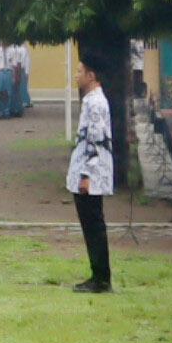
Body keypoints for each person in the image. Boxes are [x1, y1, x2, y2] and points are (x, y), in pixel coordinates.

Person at [67, 53, 114, 293]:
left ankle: (101, 278)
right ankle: (97, 274)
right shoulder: (91, 100)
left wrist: (86, 175)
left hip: (91, 175)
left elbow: (95, 141)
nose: (76, 75)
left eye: (79, 71)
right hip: (88, 172)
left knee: (94, 226)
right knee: (91, 226)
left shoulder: (95, 103)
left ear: (91, 75)